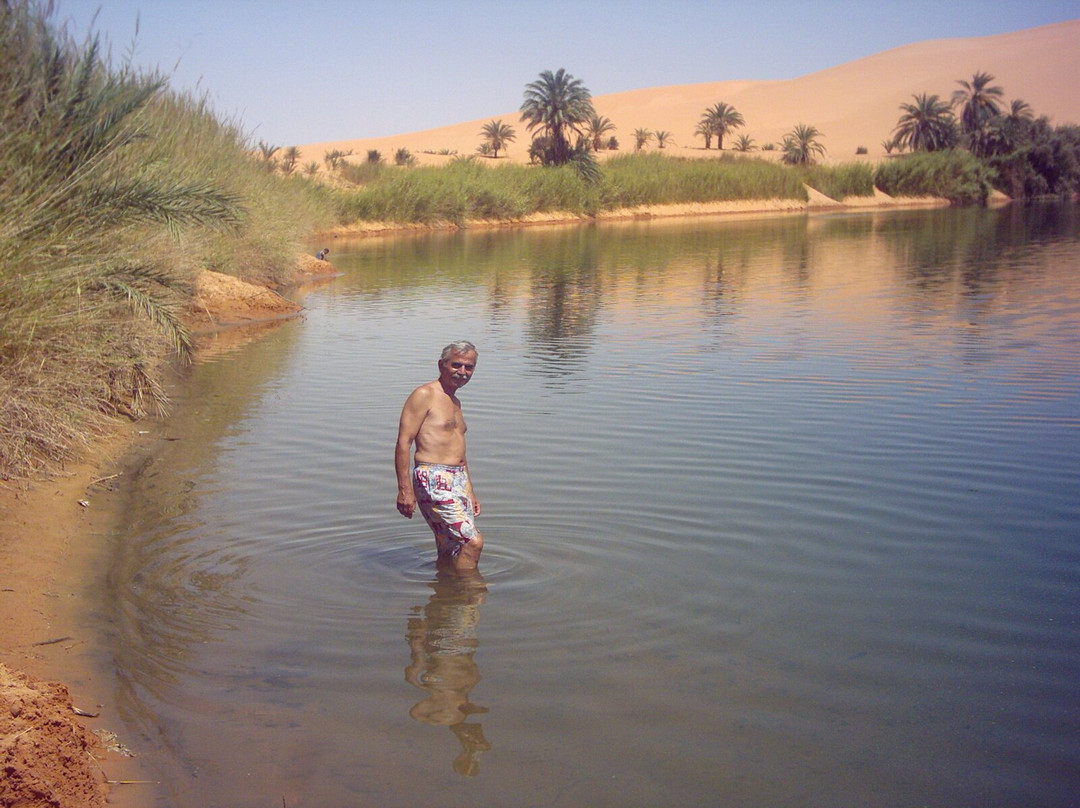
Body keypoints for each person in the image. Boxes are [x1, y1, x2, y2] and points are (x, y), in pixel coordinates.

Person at [396, 341, 483, 570]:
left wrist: (470, 491)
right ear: (441, 365)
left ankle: (443, 596)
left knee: (449, 545)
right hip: (432, 476)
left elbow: (459, 452)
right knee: (472, 542)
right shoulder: (425, 394)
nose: (462, 372)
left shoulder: (455, 402)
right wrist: (405, 490)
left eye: (468, 367)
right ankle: (467, 599)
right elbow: (404, 442)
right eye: (456, 365)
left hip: (457, 479)